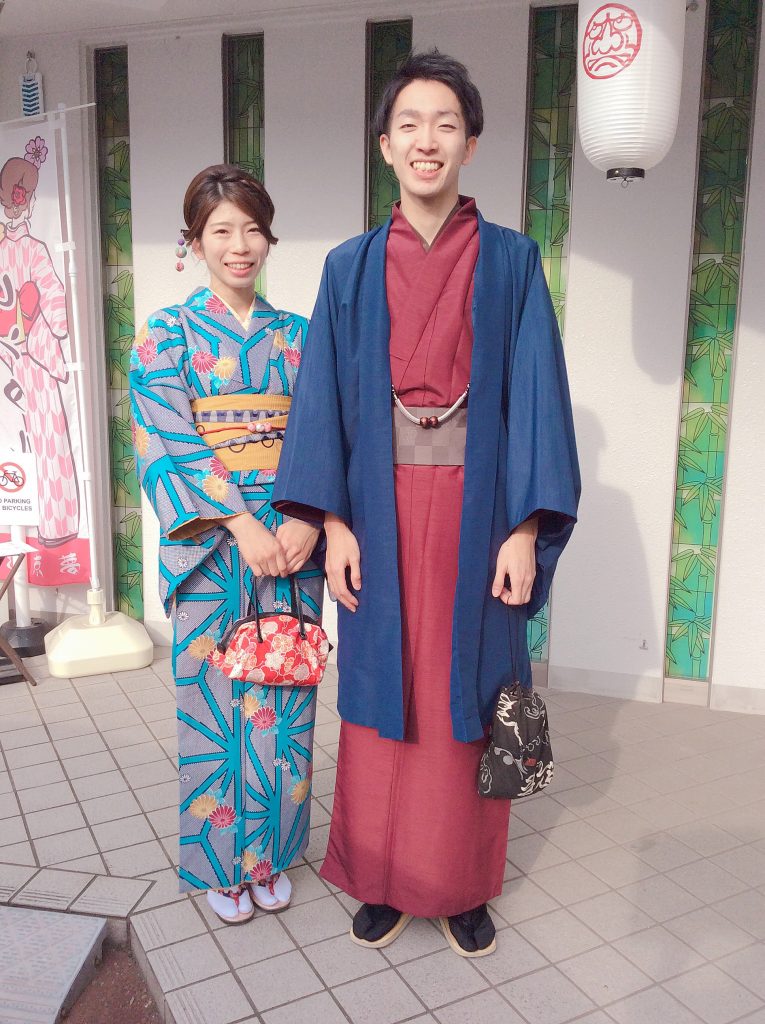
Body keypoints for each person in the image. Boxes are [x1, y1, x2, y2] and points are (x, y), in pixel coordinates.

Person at [273, 51, 580, 957]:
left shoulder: (512, 261)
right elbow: (325, 400)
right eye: (408, 123)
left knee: (473, 690)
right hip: (377, 506)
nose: (426, 139)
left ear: (470, 143)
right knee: (382, 690)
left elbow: (536, 398)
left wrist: (524, 528)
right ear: (384, 144)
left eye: (445, 123)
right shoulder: (349, 267)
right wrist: (333, 522)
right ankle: (377, 876)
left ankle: (463, 885)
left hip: (480, 511)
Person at [130, 165, 322, 924]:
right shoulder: (165, 334)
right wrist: (240, 522)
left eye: (252, 229)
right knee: (212, 707)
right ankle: (220, 865)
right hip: (214, 544)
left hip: (292, 539)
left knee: (285, 698)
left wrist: (306, 519)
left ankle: (271, 856)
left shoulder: (300, 337)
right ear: (194, 241)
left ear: (269, 238)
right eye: (221, 230)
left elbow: (328, 435)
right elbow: (165, 435)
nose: (239, 245)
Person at [0, 138, 80, 547]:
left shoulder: (32, 249)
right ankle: (23, 532)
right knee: (20, 441)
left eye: (22, 197)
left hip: (30, 356)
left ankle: (53, 528)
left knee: (44, 438)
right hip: (12, 356)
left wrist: (58, 327)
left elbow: (50, 291)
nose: (18, 205)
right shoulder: (15, 248)